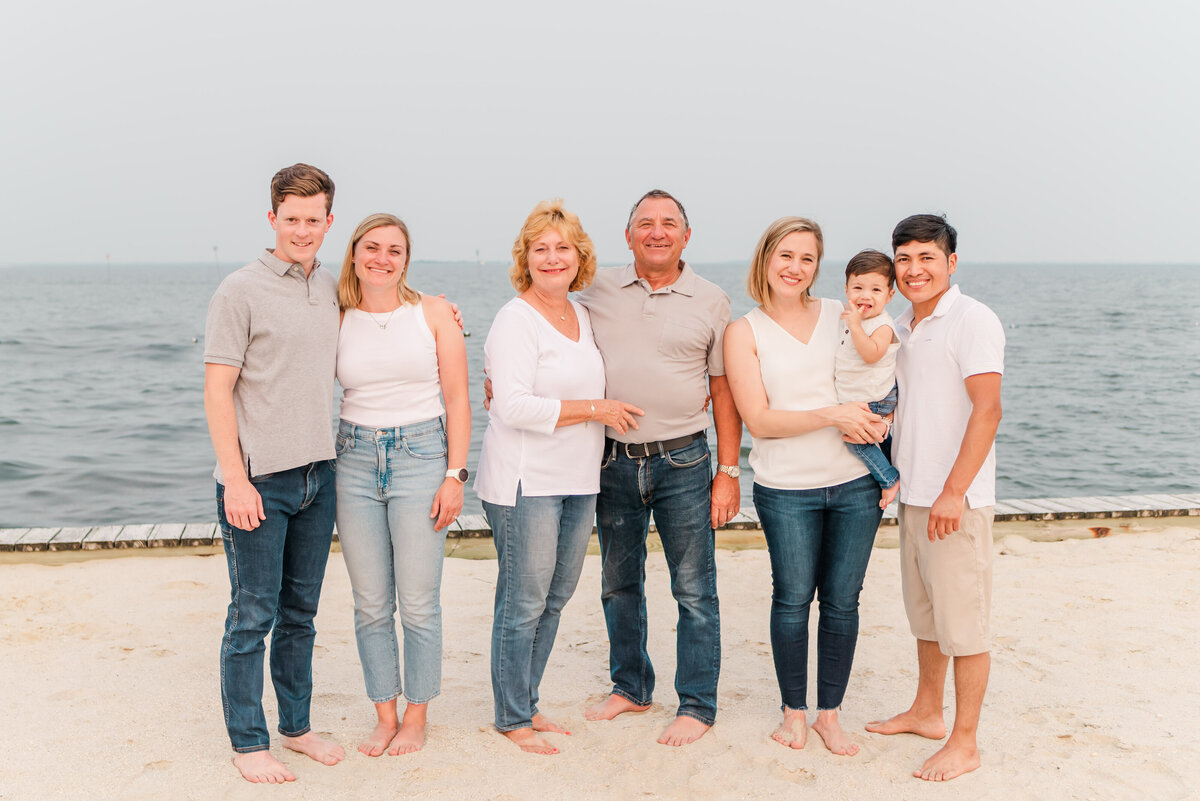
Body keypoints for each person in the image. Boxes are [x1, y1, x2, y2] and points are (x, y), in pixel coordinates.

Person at [475, 200, 644, 755]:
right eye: (540, 249)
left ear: (580, 256)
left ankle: (527, 699)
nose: (552, 258)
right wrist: (596, 408)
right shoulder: (514, 318)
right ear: (526, 258)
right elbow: (513, 407)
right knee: (523, 600)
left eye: (562, 248)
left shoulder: (583, 314)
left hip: (580, 478)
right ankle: (512, 716)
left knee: (556, 596)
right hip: (526, 481)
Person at [580, 190, 742, 746]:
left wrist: (728, 470)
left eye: (668, 223)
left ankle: (696, 704)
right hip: (610, 460)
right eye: (644, 224)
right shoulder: (595, 289)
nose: (656, 232)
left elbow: (722, 390)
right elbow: (543, 317)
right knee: (618, 585)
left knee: (695, 589)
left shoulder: (712, 299)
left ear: (685, 236)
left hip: (684, 460)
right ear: (627, 236)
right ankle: (631, 688)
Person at [722, 216, 886, 756]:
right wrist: (834, 415)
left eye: (808, 258)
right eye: (786, 255)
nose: (796, 268)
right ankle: (794, 712)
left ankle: (829, 716)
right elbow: (761, 421)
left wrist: (889, 445)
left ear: (820, 266)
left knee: (842, 603)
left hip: (856, 485)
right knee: (792, 601)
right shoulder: (744, 332)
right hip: (785, 489)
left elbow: (885, 369)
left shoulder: (844, 313)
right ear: (766, 257)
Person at [203, 163, 345, 784]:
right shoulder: (241, 289)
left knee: (301, 615)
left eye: (314, 220)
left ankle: (296, 726)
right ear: (273, 219)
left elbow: (391, 311)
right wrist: (235, 478)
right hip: (258, 480)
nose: (303, 230)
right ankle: (248, 742)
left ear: (328, 222)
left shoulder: (334, 286)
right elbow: (216, 389)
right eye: (292, 219)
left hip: (321, 476)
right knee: (251, 615)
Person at [865, 214, 1004, 782]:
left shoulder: (973, 320)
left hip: (956, 501)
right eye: (904, 259)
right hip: (912, 493)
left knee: (964, 624)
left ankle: (964, 742)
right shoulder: (900, 324)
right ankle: (926, 712)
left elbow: (987, 410)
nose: (914, 269)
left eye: (927, 258)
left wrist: (954, 492)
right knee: (925, 616)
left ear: (950, 263)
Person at [333, 214, 470, 757]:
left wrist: (455, 475)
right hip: (354, 458)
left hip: (421, 457)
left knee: (417, 602)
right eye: (372, 248)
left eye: (394, 250)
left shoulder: (434, 313)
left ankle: (417, 714)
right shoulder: (335, 313)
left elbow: (458, 399)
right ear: (354, 254)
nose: (382, 259)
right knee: (370, 601)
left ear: (406, 259)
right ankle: (383, 713)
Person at [835, 249, 902, 510]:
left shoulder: (882, 326)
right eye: (858, 287)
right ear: (846, 289)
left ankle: (889, 478)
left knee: (855, 440)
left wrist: (855, 326)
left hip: (875, 398)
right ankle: (884, 444)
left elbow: (871, 354)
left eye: (876, 290)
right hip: (865, 395)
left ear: (889, 295)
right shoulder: (852, 319)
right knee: (871, 437)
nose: (865, 295)